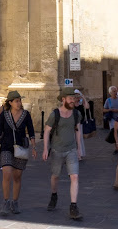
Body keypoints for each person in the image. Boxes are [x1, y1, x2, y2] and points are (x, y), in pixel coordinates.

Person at [0, 90, 36, 216]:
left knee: (17, 177)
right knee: (7, 173)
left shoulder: (26, 115)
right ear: (10, 103)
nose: (19, 103)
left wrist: (33, 147)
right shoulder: (4, 115)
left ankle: (15, 202)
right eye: (16, 101)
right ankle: (5, 202)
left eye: (20, 100)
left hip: (21, 148)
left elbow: (31, 131)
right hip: (6, 147)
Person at [43, 87, 83, 220]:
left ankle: (73, 206)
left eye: (74, 98)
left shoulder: (76, 114)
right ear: (63, 99)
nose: (73, 101)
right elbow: (47, 131)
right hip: (56, 150)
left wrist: (79, 148)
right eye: (71, 98)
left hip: (71, 149)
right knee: (55, 176)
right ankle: (54, 195)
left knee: (75, 177)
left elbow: (77, 130)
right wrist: (45, 149)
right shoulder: (55, 114)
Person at [74, 88, 90, 160]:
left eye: (78, 95)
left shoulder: (81, 102)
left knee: (79, 138)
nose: (77, 97)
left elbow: (87, 107)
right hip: (72, 123)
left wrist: (83, 98)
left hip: (80, 123)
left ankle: (79, 154)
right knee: (73, 139)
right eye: (75, 95)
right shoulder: (72, 102)